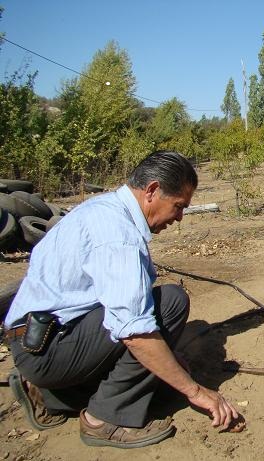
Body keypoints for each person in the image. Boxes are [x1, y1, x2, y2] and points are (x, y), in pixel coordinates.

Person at [3, 150, 242, 448]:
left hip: (37, 339)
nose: (179, 217)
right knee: (170, 303)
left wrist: (169, 361)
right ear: (152, 191)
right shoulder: (117, 236)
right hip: (48, 348)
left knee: (157, 359)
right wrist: (195, 391)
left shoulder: (103, 208)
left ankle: (49, 394)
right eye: (178, 206)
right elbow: (135, 333)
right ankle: (103, 419)